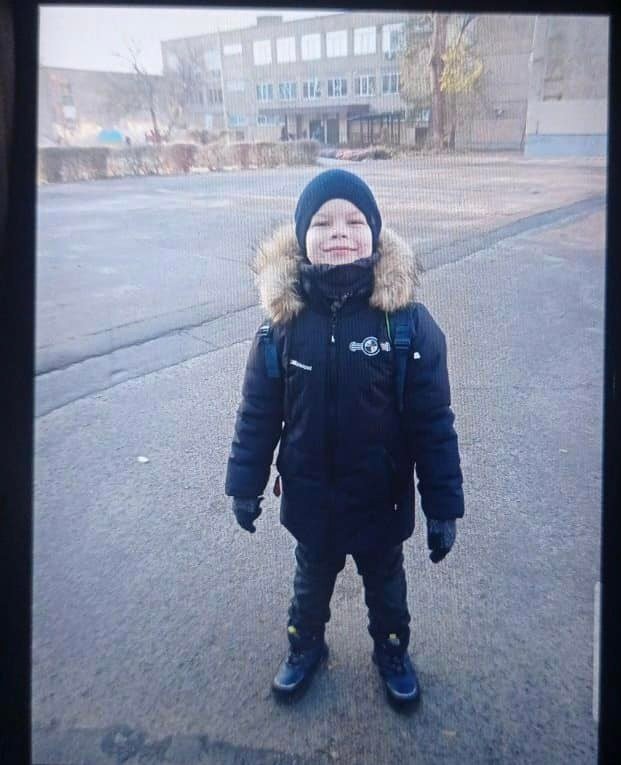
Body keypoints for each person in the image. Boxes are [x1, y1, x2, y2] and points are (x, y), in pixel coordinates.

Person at [225, 169, 464, 704]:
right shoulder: (281, 328)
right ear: (301, 238)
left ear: (375, 235)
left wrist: (443, 507)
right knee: (310, 585)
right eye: (323, 222)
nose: (339, 232)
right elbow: (258, 415)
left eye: (355, 222)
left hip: (381, 500)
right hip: (312, 500)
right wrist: (243, 485)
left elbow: (433, 423)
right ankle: (304, 646)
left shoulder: (405, 325)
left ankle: (392, 651)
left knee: (387, 588)